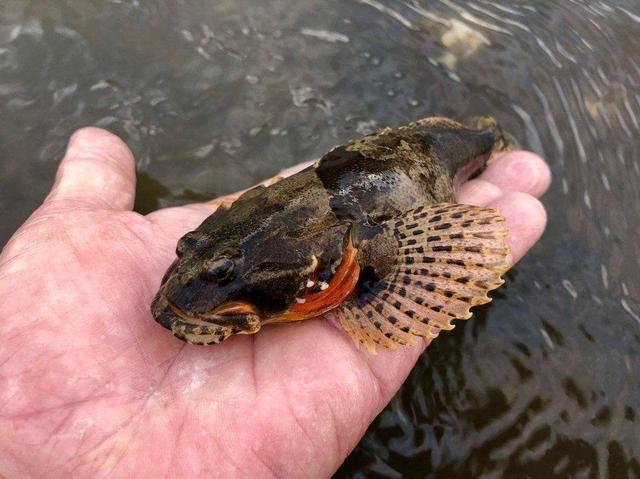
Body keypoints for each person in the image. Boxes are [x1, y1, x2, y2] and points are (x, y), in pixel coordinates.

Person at [0, 127, 550, 477]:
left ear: (321, 272)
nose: (188, 292)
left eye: (220, 275)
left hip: (413, 173)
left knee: (499, 170)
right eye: (193, 257)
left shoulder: (354, 250)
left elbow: (432, 265)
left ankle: (492, 138)